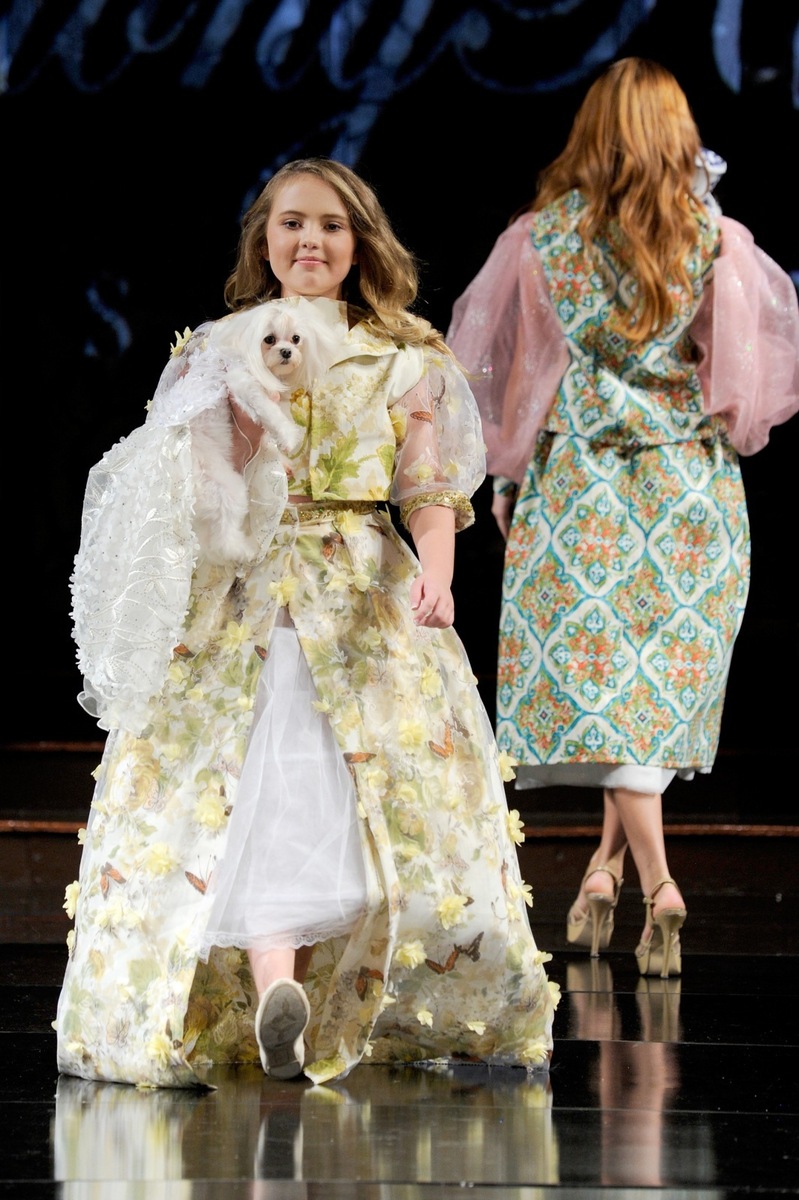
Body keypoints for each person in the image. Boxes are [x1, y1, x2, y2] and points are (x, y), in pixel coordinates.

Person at [56, 157, 558, 1090]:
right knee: (248, 776)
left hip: (359, 586)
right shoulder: (220, 348)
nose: (310, 241)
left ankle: (319, 987)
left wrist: (438, 577)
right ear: (264, 240)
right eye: (291, 223)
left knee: (346, 783)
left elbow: (428, 487)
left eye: (330, 224)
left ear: (359, 242)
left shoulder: (404, 357)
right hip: (244, 588)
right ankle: (274, 990)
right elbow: (190, 484)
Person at [447, 57, 799, 979]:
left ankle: (651, 879)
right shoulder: (713, 239)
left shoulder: (542, 237)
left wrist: (507, 479)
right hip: (687, 488)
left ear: (591, 131)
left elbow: (514, 371)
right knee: (640, 701)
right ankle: (614, 876)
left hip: (583, 489)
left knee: (617, 699)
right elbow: (744, 391)